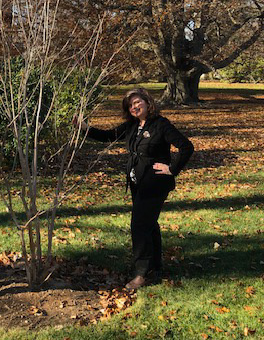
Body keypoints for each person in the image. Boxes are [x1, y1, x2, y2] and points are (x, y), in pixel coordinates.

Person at [74, 88, 193, 290]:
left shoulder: (160, 125)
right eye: (130, 105)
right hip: (138, 182)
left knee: (139, 226)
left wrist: (172, 168)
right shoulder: (132, 126)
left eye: (137, 102)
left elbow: (186, 146)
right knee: (149, 224)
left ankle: (141, 274)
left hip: (155, 184)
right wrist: (84, 128)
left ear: (147, 102)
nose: (134, 107)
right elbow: (108, 136)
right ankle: (156, 266)